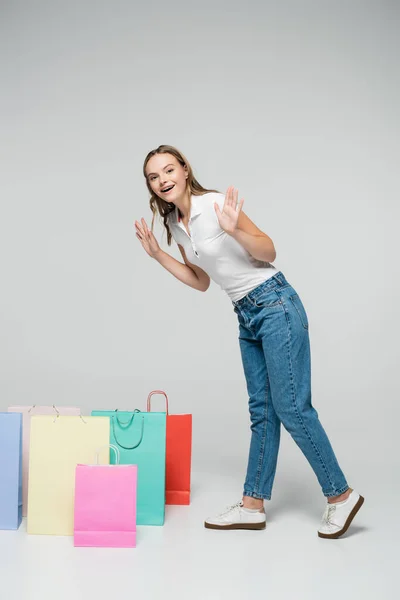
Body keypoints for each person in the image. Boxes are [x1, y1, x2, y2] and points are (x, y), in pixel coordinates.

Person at [135, 144, 364, 538]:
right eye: (154, 177)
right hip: (246, 313)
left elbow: (269, 250)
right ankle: (252, 505)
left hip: (275, 303)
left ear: (186, 170)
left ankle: (340, 497)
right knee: (262, 411)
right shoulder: (175, 224)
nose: (163, 180)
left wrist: (234, 228)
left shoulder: (215, 204)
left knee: (291, 407)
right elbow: (202, 281)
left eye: (169, 170)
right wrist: (158, 254)